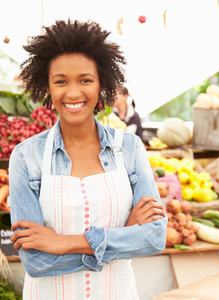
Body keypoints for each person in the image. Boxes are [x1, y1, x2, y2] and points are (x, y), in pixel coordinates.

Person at [9, 20, 166, 299]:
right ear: (47, 86)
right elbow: (37, 262)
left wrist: (64, 242)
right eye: (61, 81)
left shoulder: (129, 148)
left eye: (85, 80)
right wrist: (125, 235)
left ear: (101, 83)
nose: (73, 93)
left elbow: (154, 238)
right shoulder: (26, 157)